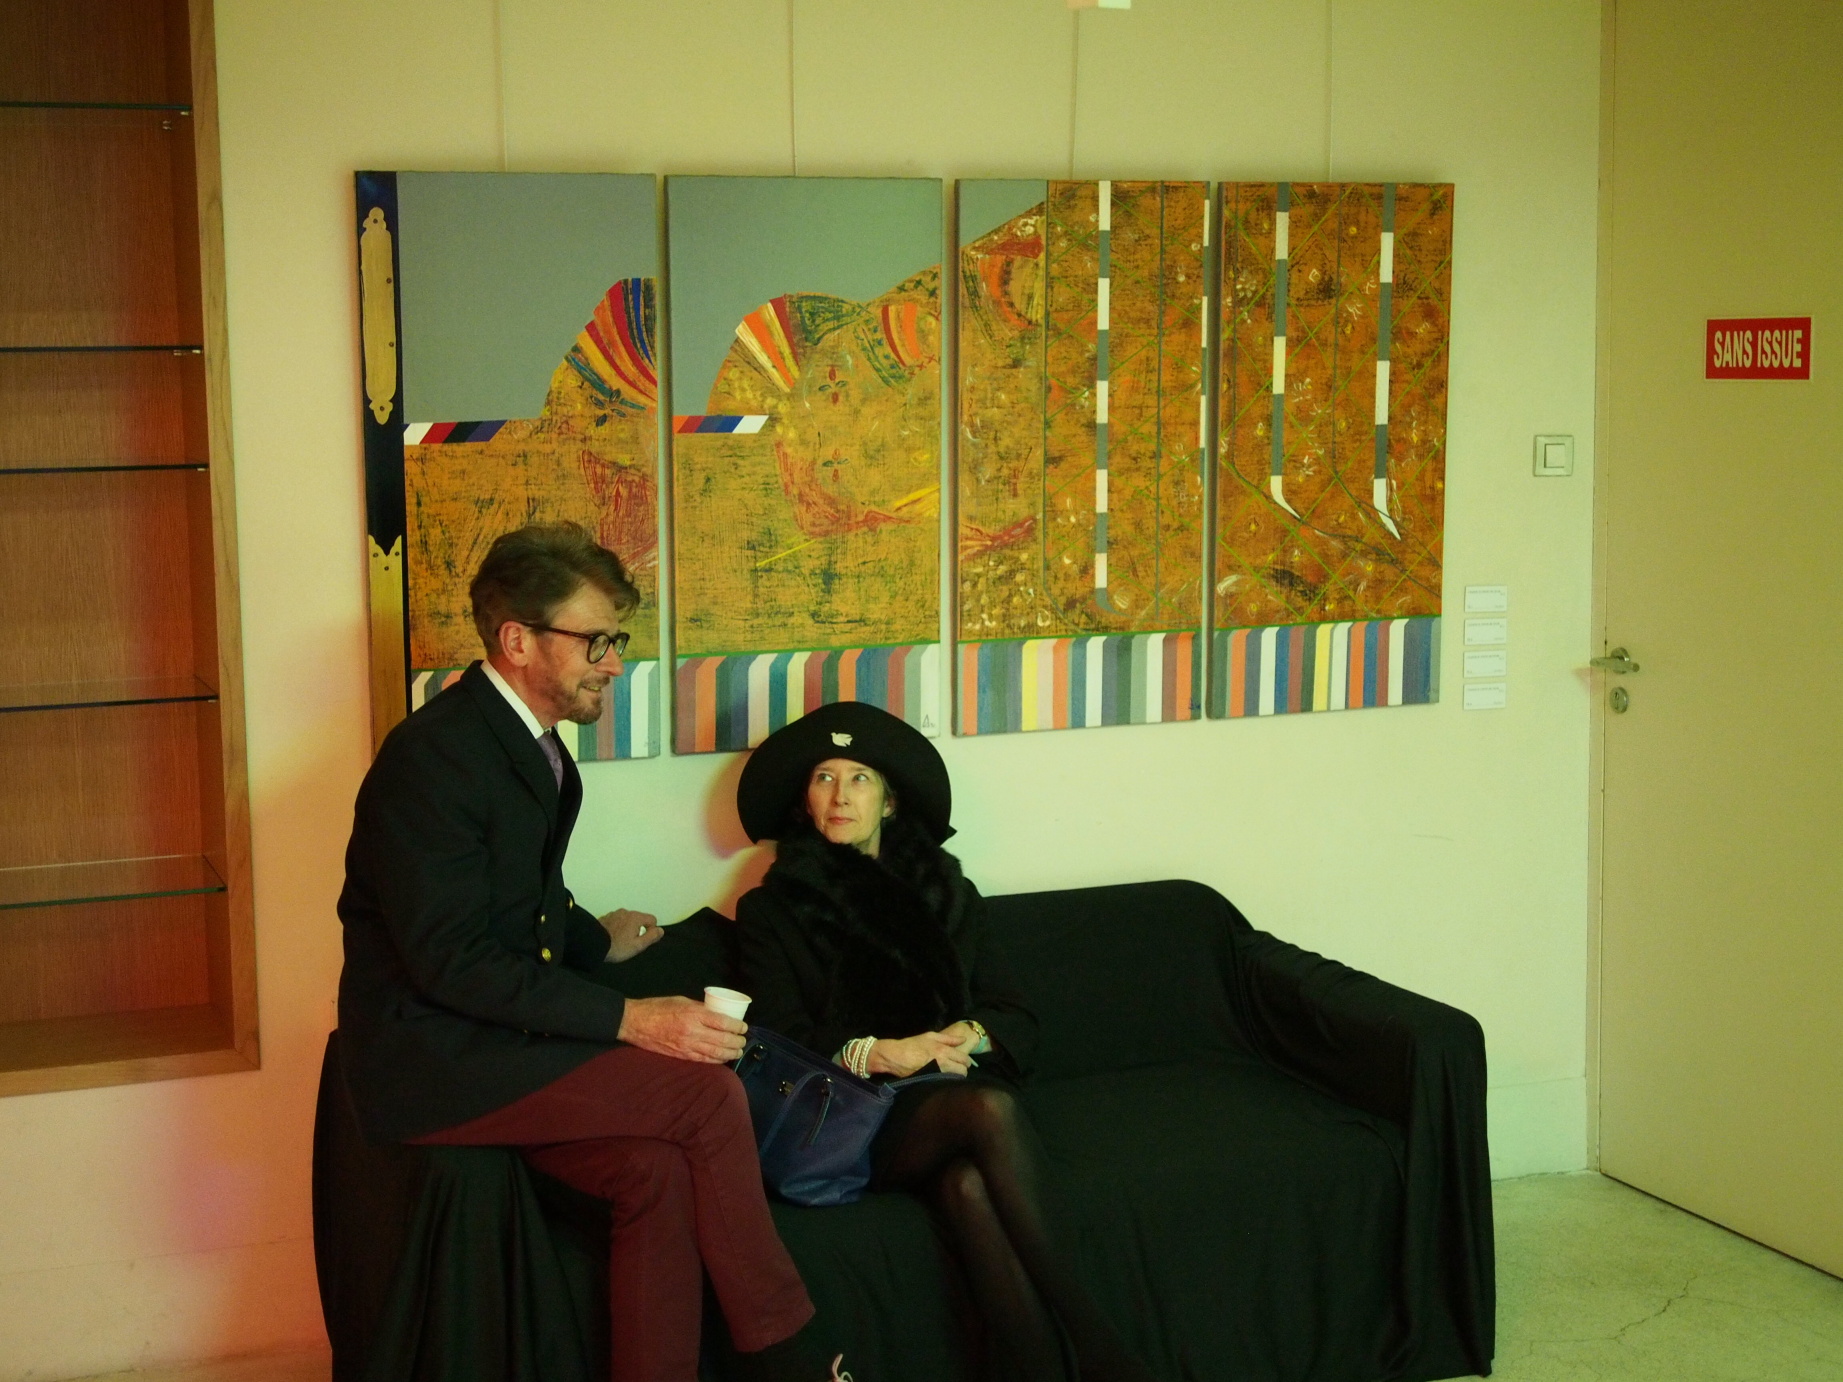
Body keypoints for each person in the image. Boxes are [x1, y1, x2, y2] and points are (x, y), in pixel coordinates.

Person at [336, 521, 832, 1382]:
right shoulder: (434, 759)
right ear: (517, 640)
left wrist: (594, 938)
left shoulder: (529, 749)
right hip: (434, 1061)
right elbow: (449, 960)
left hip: (496, 1044)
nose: (614, 663)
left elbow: (516, 898)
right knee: (705, 1098)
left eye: (616, 641)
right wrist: (632, 1018)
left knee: (655, 1172)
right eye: (596, 641)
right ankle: (794, 1360)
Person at [733, 702, 1159, 1382]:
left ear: (890, 801)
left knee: (967, 1189)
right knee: (987, 1110)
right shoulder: (771, 909)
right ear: (803, 800)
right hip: (855, 1116)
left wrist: (965, 1035)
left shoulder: (948, 892)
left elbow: (1014, 1013)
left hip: (947, 1088)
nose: (840, 796)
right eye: (823, 778)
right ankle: (1102, 1348)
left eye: (860, 778)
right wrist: (883, 1051)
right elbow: (781, 1036)